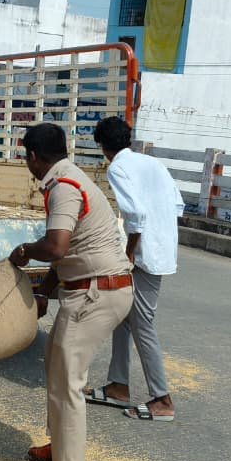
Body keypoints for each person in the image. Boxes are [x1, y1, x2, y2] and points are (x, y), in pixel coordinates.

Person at [9, 122, 134, 461]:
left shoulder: (63, 187)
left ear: (33, 156)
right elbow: (70, 250)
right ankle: (61, 446)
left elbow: (56, 247)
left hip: (95, 293)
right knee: (56, 364)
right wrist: (45, 293)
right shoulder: (72, 177)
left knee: (67, 381)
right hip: (97, 287)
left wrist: (25, 251)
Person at [83, 117, 184, 422]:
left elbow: (136, 215)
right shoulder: (152, 163)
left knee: (142, 324)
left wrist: (129, 252)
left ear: (103, 147)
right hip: (160, 250)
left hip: (143, 256)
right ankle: (118, 385)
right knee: (123, 315)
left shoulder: (118, 168)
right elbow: (178, 205)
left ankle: (162, 399)